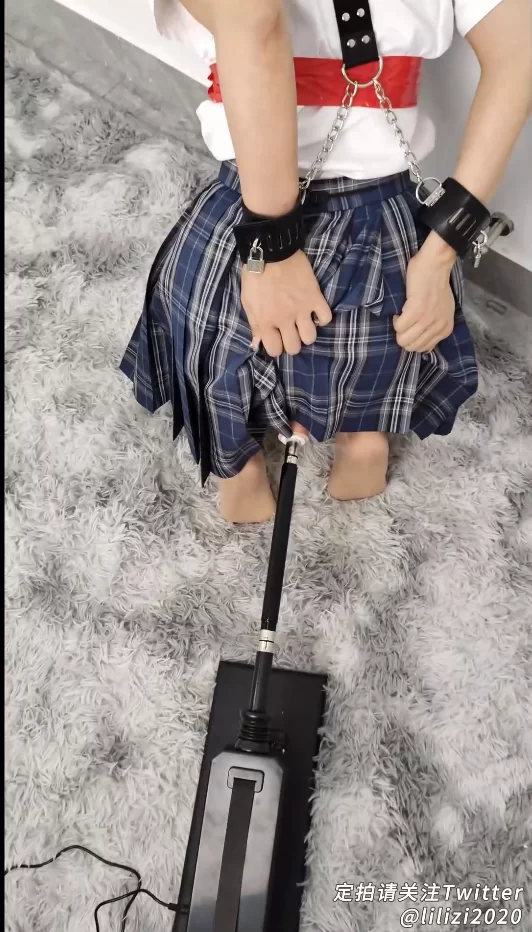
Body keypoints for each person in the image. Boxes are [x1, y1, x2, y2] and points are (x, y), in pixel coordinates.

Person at [120, 0, 531, 523]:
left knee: (217, 338)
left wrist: (274, 248)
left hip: (278, 210)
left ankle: (252, 459)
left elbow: (255, 25)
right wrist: (437, 252)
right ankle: (342, 439)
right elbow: (519, 53)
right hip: (344, 219)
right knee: (376, 333)